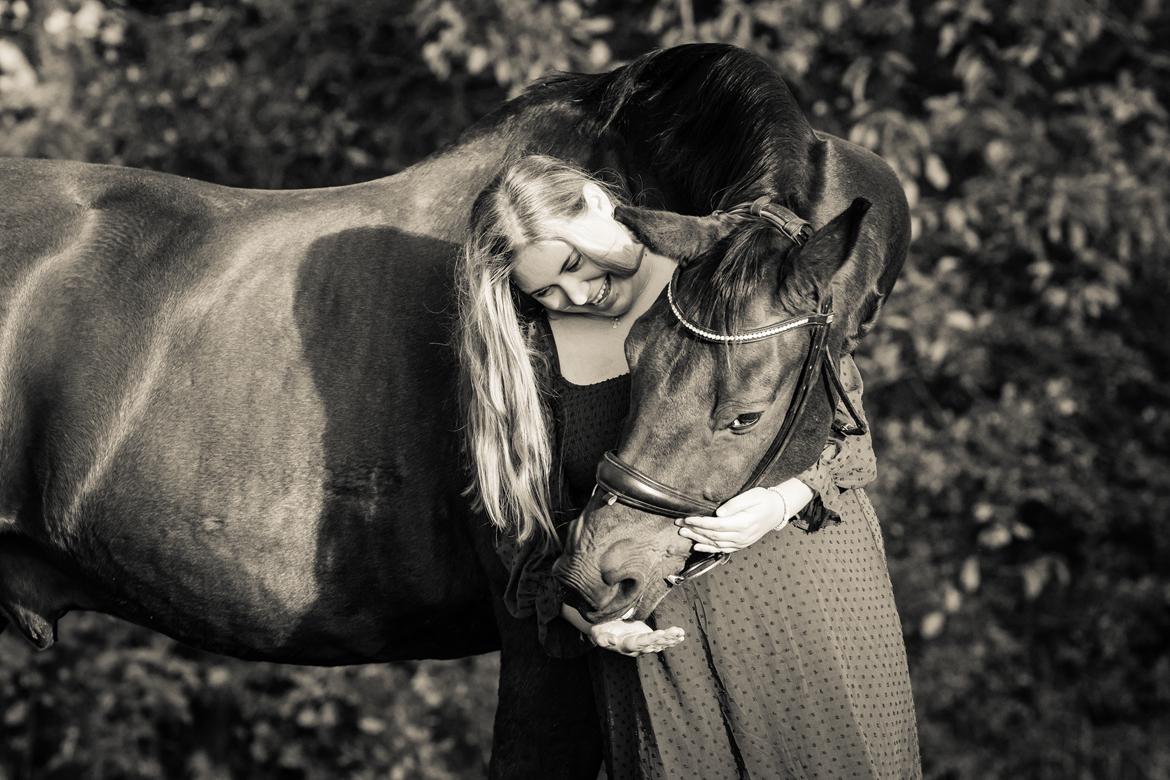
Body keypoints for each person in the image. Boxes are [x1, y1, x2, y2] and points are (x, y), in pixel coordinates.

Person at [458, 154, 920, 778]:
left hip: (799, 596)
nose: (577, 294)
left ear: (598, 205)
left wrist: (780, 502)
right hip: (660, 652)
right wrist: (587, 619)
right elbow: (527, 538)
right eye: (545, 290)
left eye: (575, 263)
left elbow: (848, 433)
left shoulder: (723, 272)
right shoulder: (527, 361)